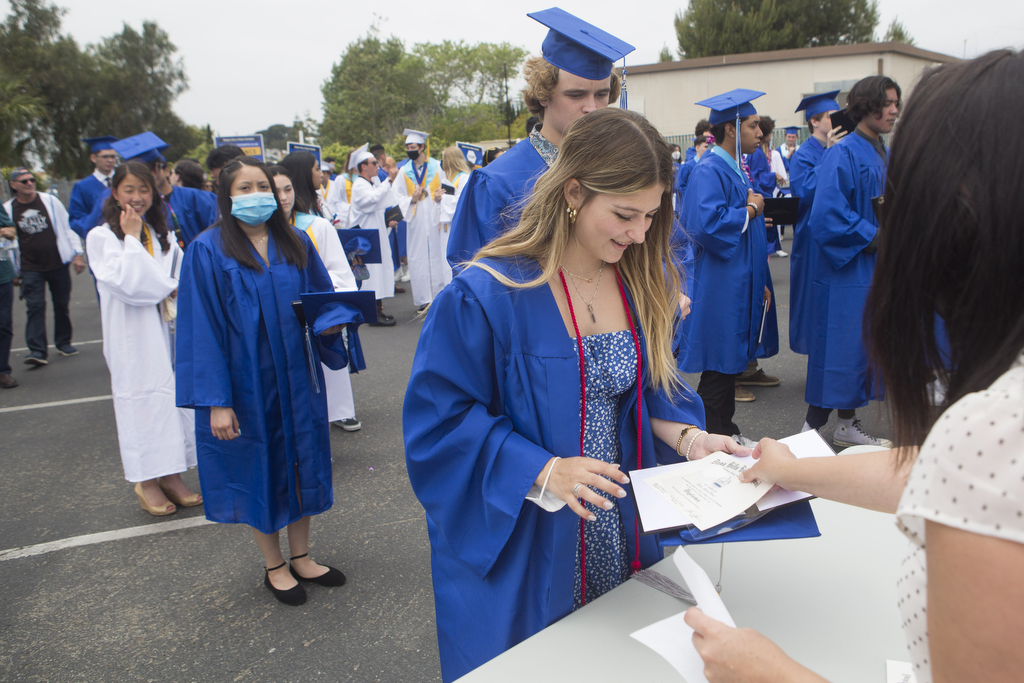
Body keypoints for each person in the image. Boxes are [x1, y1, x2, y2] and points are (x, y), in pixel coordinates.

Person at [686, 49, 1024, 683]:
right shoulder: (991, 424)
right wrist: (798, 467)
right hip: (793, 274)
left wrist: (769, 671)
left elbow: (968, 466)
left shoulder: (992, 423)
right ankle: (824, 424)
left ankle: (831, 420)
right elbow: (947, 475)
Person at [404, 108, 747, 682]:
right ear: (573, 192)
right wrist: (543, 471)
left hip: (614, 525)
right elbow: (441, 425)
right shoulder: (490, 293)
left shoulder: (638, 278)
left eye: (651, 215)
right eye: (623, 214)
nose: (639, 233)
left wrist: (692, 439)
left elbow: (640, 395)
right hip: (532, 534)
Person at [175, 157, 349, 606]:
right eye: (245, 187)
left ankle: (303, 556)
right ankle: (274, 565)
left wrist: (332, 323)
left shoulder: (295, 242)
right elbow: (201, 330)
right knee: (262, 466)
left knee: (301, 463)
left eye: (263, 187)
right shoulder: (207, 250)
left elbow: (320, 300)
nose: (257, 195)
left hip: (296, 375)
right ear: (227, 196)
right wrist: (216, 401)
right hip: (248, 384)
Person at [446, 7, 633, 268]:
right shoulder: (498, 183)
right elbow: (474, 282)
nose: (592, 107)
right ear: (544, 94)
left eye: (601, 95)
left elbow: (665, 250)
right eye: (576, 95)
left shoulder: (623, 168)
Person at [85, 161, 200, 516]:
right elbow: (131, 286)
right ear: (115, 193)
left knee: (172, 402)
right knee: (140, 403)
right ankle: (145, 479)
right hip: (132, 336)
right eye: (129, 190)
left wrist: (170, 285)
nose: (137, 197)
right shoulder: (102, 236)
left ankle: (171, 473)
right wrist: (132, 239)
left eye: (144, 190)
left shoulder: (161, 232)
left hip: (168, 331)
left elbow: (181, 275)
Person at [802, 75, 900, 448]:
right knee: (840, 349)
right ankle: (807, 433)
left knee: (860, 347)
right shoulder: (842, 152)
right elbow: (826, 214)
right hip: (848, 269)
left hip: (873, 268)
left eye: (896, 103)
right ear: (867, 105)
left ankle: (846, 425)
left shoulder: (879, 150)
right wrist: (874, 235)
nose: (894, 110)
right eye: (887, 103)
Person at [677, 90, 778, 445]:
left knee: (728, 364)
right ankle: (711, 438)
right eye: (753, 125)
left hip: (736, 282)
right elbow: (703, 225)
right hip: (719, 286)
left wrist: (759, 281)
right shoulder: (709, 169)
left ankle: (726, 430)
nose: (760, 132)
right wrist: (749, 211)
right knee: (719, 366)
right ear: (732, 129)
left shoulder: (733, 168)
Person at [268, 164, 363, 431]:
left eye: (288, 190)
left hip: (317, 311)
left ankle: (336, 415)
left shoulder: (316, 226)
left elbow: (339, 271)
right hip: (281, 320)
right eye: (276, 191)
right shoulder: (259, 234)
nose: (284, 197)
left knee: (326, 377)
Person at [3, 168, 87, 366]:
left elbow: (68, 227)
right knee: (35, 307)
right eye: (24, 181)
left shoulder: (49, 201)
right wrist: (13, 271)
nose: (30, 183)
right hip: (30, 266)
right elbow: (8, 243)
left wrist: (77, 254)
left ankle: (64, 342)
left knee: (61, 304)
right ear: (13, 185)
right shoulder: (8, 209)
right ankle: (37, 351)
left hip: (57, 263)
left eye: (31, 179)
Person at [788, 90, 846, 356]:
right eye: (831, 116)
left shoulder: (841, 147)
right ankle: (817, 355)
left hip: (837, 232)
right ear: (814, 121)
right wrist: (830, 155)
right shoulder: (804, 154)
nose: (837, 119)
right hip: (811, 236)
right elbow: (806, 190)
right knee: (814, 294)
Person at [392, 129, 449, 308]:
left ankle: (440, 297)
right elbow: (396, 195)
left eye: (413, 146)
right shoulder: (404, 171)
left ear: (422, 147)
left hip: (434, 217)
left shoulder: (437, 166)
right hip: (416, 219)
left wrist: (442, 196)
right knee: (417, 257)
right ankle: (424, 300)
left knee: (437, 255)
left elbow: (448, 187)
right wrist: (412, 199)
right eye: (407, 147)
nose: (410, 149)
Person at [348, 143, 400, 324]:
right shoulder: (359, 186)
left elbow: (381, 204)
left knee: (379, 273)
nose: (377, 166)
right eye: (373, 163)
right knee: (371, 275)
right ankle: (372, 314)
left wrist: (388, 221)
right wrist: (389, 181)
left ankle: (377, 310)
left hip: (376, 234)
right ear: (364, 166)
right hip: (365, 239)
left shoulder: (371, 183)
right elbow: (373, 200)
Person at [68, 136, 119, 241]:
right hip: (99, 241)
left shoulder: (123, 180)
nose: (110, 160)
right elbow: (76, 220)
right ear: (93, 158)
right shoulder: (82, 186)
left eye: (113, 157)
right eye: (105, 157)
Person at [437, 146, 472, 287]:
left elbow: (462, 202)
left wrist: (444, 198)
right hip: (445, 227)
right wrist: (437, 199)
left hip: (455, 226)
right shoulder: (447, 179)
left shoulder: (464, 178)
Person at [0, 205, 17, 388]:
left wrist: (8, 232)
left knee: (4, 324)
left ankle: (3, 370)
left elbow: (11, 232)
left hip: (2, 274)